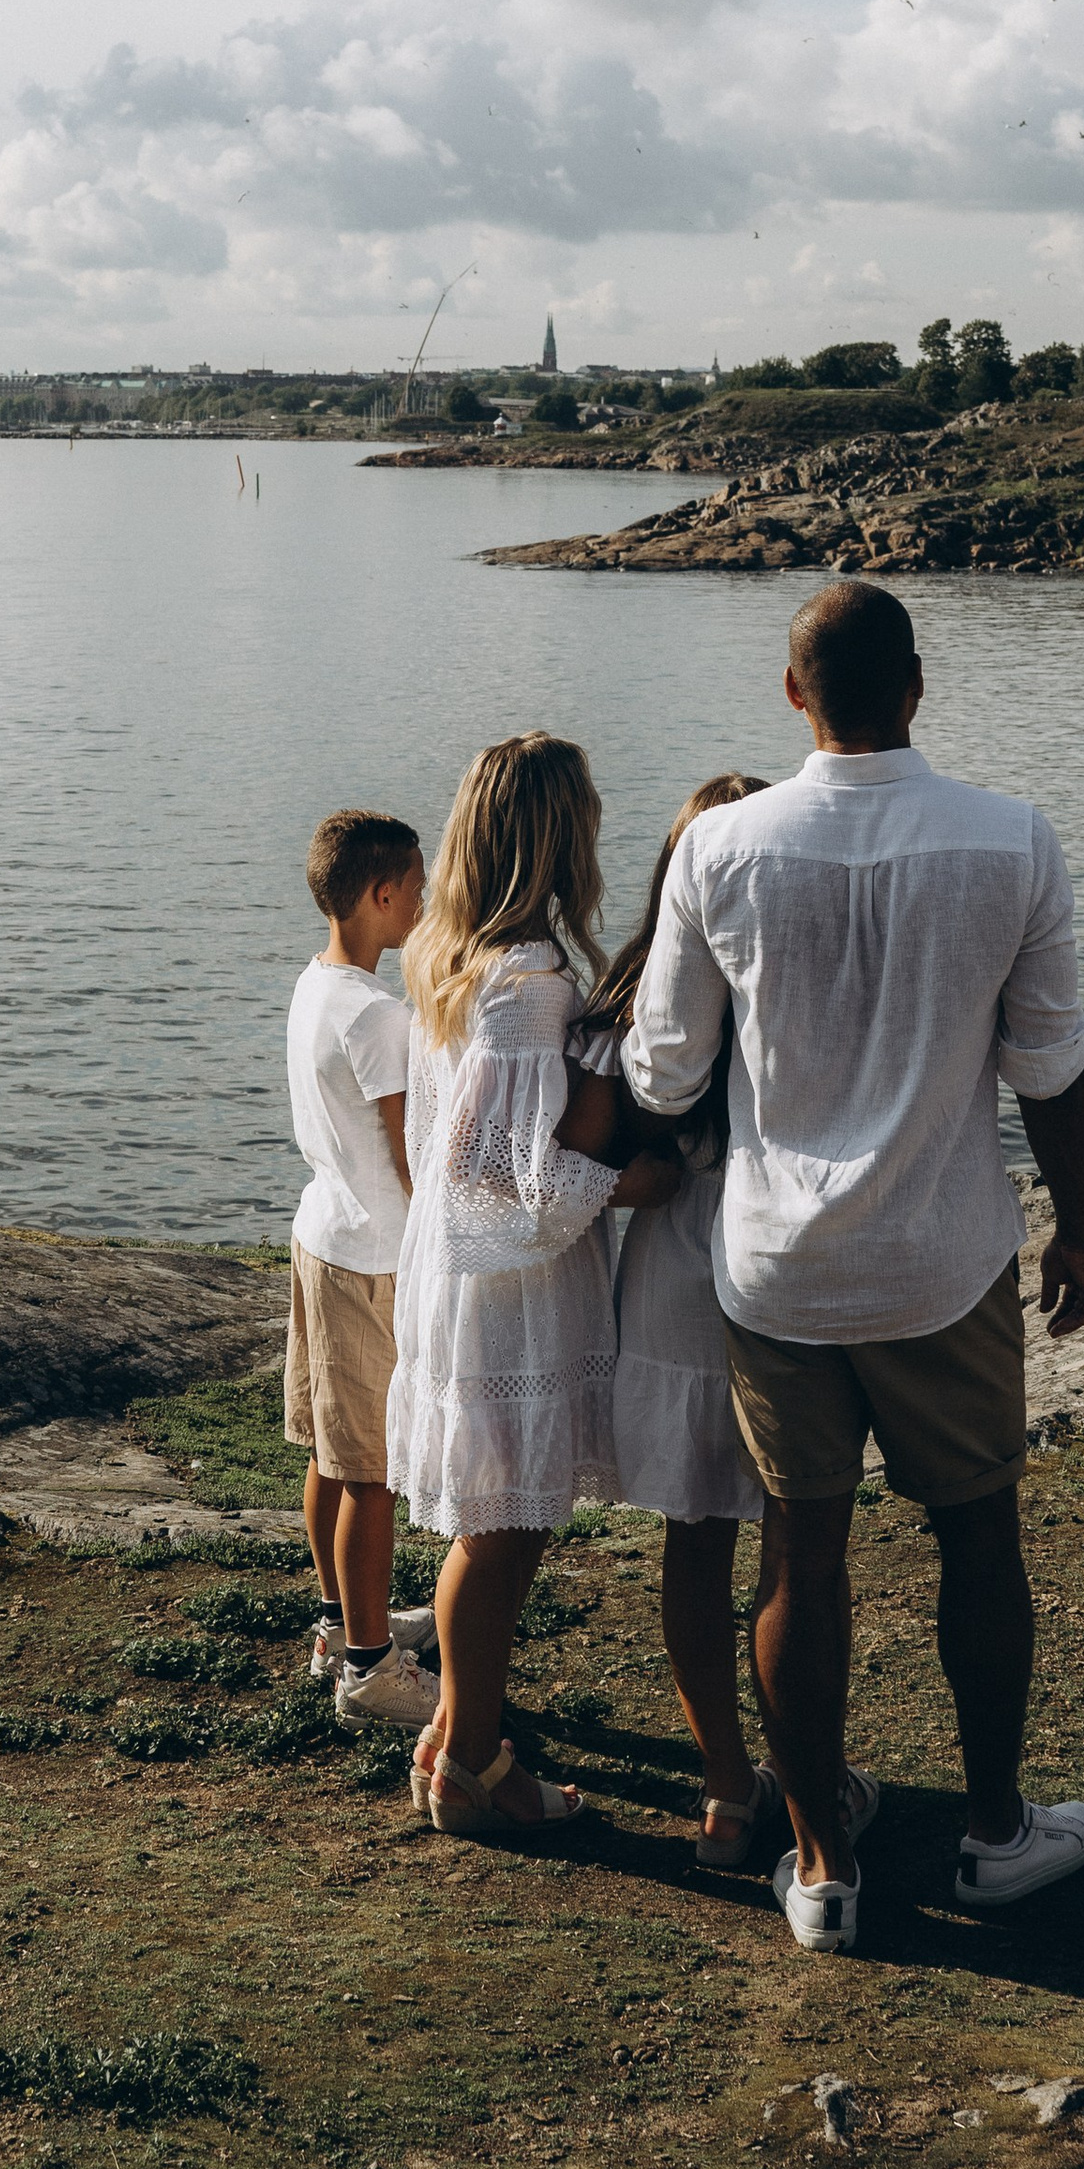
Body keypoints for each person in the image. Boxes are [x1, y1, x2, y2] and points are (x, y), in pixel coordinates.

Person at [625, 577, 1084, 1954]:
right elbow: (1051, 1067)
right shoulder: (1012, 840)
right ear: (917, 685)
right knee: (979, 1538)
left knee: (801, 1553)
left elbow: (664, 1072)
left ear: (793, 695)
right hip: (945, 1262)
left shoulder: (719, 849)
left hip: (779, 1270)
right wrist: (1077, 1231)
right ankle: (997, 1833)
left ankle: (826, 1870)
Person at [387, 732, 679, 1837]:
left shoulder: (449, 954)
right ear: (561, 834)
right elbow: (498, 1170)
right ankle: (471, 1767)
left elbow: (443, 1149)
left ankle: (456, 1732)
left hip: (463, 1268)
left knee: (504, 1517)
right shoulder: (530, 983)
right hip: (508, 1280)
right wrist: (634, 1182)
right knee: (500, 1525)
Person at [575, 776, 791, 1872]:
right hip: (775, 1286)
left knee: (695, 1547)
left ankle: (724, 1789)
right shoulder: (788, 986)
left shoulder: (626, 997)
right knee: (797, 1551)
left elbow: (581, 1142)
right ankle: (804, 1785)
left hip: (667, 1291)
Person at [284, 809, 440, 1733]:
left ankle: (340, 1625)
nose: (425, 903)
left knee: (331, 1454)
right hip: (372, 1257)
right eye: (417, 889)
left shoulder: (319, 984)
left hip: (323, 1234)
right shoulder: (379, 1017)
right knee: (370, 1475)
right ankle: (372, 1670)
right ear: (382, 895)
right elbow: (410, 1154)